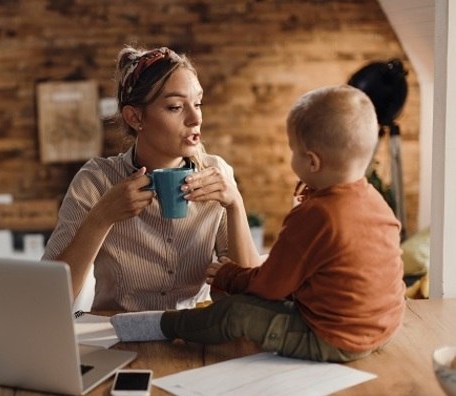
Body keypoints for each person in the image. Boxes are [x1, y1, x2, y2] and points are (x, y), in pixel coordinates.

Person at [111, 85, 406, 363]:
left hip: (335, 339)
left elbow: (270, 287)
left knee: (235, 313)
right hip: (383, 329)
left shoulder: (315, 215)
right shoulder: (377, 203)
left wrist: (230, 276)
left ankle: (162, 325)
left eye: (293, 151)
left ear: (312, 163)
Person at [42, 46, 261, 311]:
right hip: (117, 337)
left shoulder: (216, 173)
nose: (195, 119)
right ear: (135, 117)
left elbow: (251, 295)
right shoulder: (96, 180)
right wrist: (101, 218)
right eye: (175, 106)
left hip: (193, 336)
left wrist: (235, 204)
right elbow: (49, 296)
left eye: (198, 103)